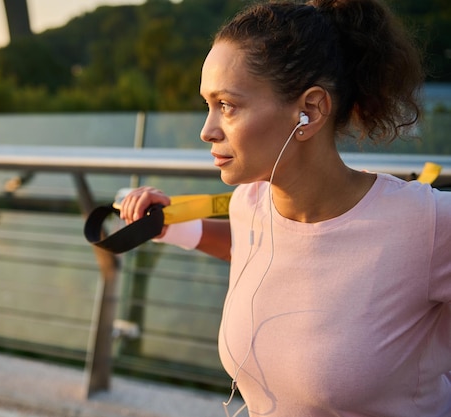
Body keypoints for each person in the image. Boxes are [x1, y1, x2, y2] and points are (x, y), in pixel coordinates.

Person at [118, 0, 451, 416]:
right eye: (208, 104)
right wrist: (169, 226)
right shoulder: (250, 203)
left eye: (227, 106)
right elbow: (265, 253)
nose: (206, 130)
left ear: (309, 111)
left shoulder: (428, 224)